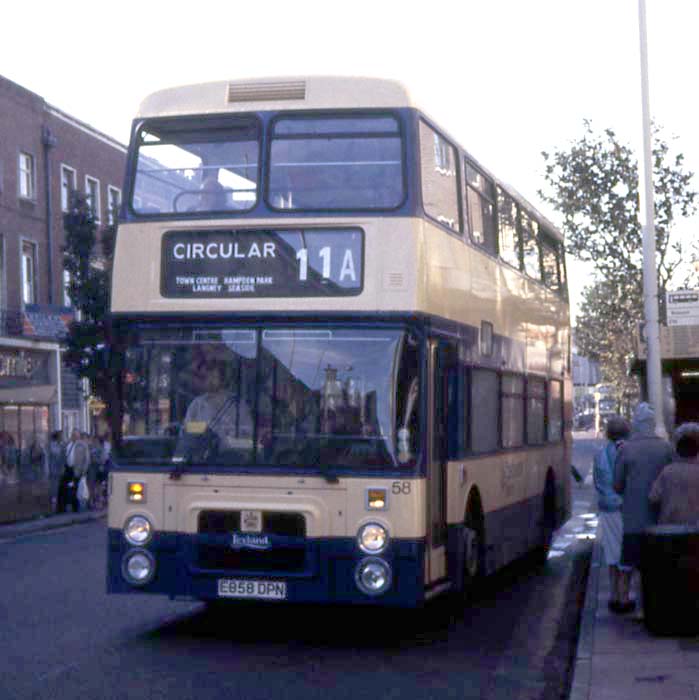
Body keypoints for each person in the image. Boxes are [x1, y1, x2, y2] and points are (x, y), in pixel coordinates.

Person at [614, 402, 673, 616]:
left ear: (635, 424)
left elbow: (617, 484)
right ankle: (650, 604)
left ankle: (623, 600)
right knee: (654, 564)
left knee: (627, 562)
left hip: (632, 516)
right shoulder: (665, 447)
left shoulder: (627, 449)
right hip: (657, 516)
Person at [180, 347, 253, 458]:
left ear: (224, 378)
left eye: (213, 376)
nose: (208, 380)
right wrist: (205, 430)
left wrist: (229, 434)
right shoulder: (197, 404)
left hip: (232, 460)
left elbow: (249, 435)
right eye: (206, 376)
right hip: (201, 460)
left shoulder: (238, 405)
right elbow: (186, 431)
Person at [593, 415, 633, 613]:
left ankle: (613, 596)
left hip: (607, 508)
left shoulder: (600, 453)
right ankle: (624, 597)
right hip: (625, 507)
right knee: (626, 551)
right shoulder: (628, 451)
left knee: (611, 552)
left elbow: (597, 481)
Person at [649, 422, 699, 524]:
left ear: (677, 450)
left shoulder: (667, 471)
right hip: (695, 527)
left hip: (670, 527)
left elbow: (653, 497)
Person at [48, 431, 65, 512]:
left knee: (57, 489)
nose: (62, 437)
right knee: (53, 489)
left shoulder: (60, 445)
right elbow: (55, 457)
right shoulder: (52, 446)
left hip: (58, 471)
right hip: (53, 471)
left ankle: (57, 506)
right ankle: (53, 507)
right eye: (61, 436)